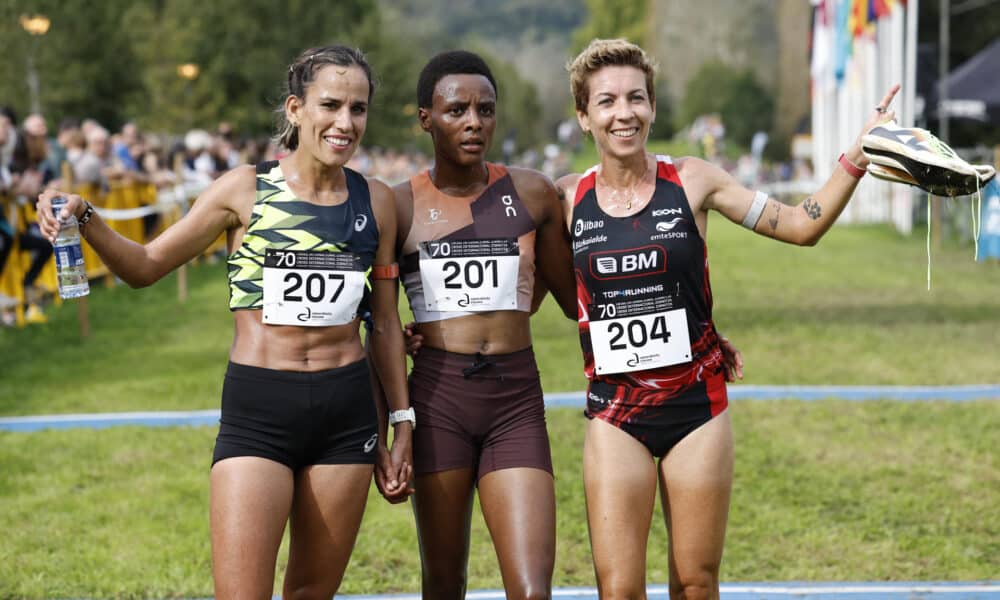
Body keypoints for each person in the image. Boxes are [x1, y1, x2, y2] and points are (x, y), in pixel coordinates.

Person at [35, 44, 413, 599]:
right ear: (295, 109)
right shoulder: (245, 189)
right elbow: (145, 266)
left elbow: (383, 323)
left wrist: (400, 420)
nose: (344, 122)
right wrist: (85, 215)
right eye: (330, 104)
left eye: (358, 109)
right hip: (260, 412)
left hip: (345, 415)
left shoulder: (376, 202)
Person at [556, 39, 897, 599]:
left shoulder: (693, 179)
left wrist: (855, 158)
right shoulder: (567, 199)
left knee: (696, 583)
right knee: (618, 589)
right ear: (584, 117)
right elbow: (527, 279)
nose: (625, 114)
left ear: (654, 106)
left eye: (636, 98)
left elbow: (798, 224)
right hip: (616, 412)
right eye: (608, 102)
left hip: (696, 407)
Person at [392, 50, 578, 600]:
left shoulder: (532, 192)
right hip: (438, 397)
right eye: (456, 111)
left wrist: (517, 301)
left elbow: (570, 299)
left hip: (514, 398)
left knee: (531, 588)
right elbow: (369, 312)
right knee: (445, 583)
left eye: (486, 109)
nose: (474, 122)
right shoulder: (398, 205)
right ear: (426, 117)